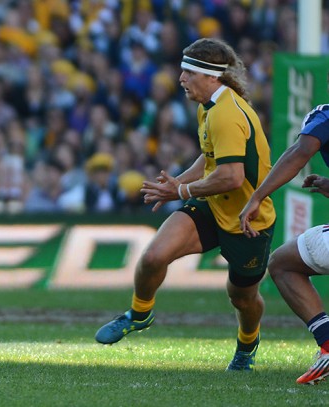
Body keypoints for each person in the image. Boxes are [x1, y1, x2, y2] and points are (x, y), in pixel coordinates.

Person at [94, 38, 276, 371]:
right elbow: (210, 159)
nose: (181, 79)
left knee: (242, 298)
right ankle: (139, 313)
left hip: (247, 218)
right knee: (153, 257)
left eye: (188, 72)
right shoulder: (208, 106)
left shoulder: (226, 114)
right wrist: (180, 182)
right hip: (211, 204)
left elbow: (232, 177)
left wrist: (182, 192)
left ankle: (247, 345)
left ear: (210, 76)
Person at [239, 103, 329, 384]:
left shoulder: (324, 114)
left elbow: (299, 152)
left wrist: (257, 196)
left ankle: (327, 344)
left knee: (282, 263)